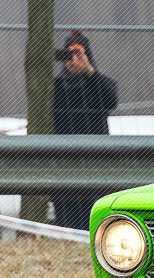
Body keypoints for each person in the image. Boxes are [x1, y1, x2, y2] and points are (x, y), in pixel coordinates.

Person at [51, 31, 119, 230]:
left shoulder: (99, 84)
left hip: (95, 162)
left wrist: (90, 72)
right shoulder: (55, 86)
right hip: (64, 164)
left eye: (79, 54)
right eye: (69, 55)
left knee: (95, 221)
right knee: (67, 222)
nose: (73, 61)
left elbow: (111, 101)